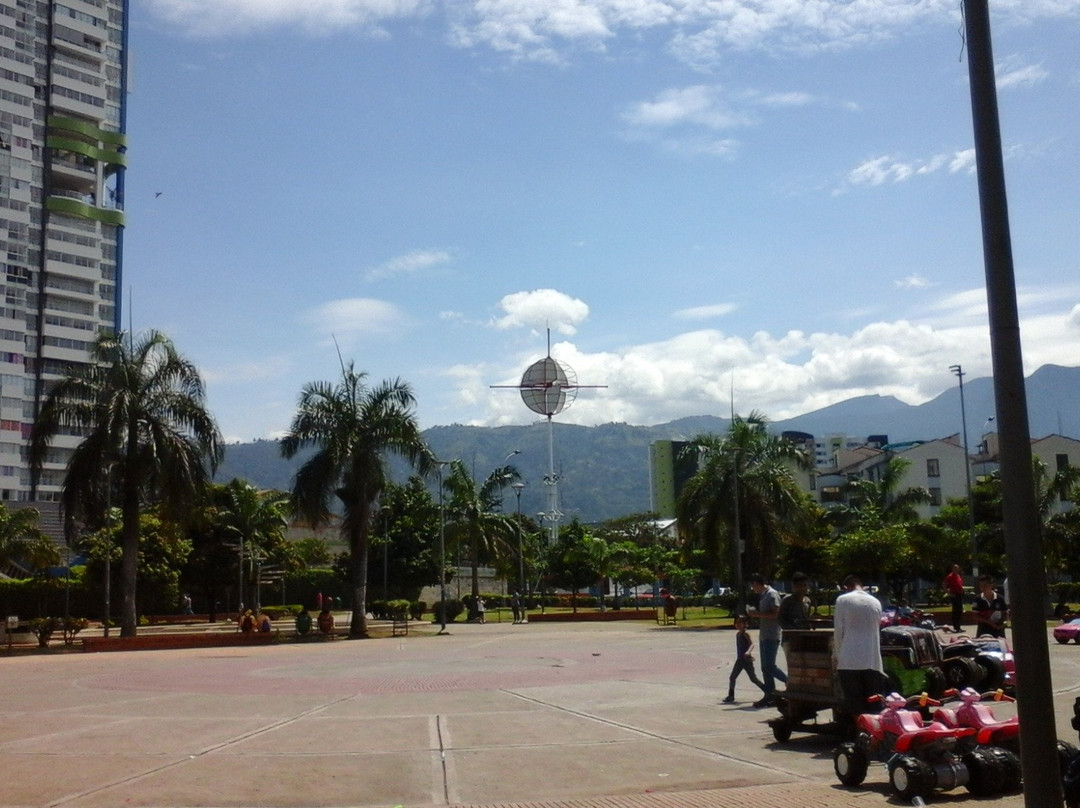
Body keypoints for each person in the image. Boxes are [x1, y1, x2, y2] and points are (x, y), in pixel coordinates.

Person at [833, 574, 885, 728]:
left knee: (855, 704)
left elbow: (838, 631)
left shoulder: (843, 600)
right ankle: (875, 733)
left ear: (845, 587)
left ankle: (862, 732)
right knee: (874, 703)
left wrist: (836, 655)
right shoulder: (875, 602)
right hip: (873, 660)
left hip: (849, 661)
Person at [747, 574, 786, 707]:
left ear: (758, 583)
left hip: (772, 635)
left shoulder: (772, 594)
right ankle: (770, 695)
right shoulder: (763, 595)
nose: (753, 588)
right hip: (764, 635)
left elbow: (776, 613)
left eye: (753, 585)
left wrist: (757, 614)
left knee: (770, 666)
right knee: (765, 668)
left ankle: (789, 681)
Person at [724, 615, 767, 704]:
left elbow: (752, 644)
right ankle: (731, 696)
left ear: (745, 624)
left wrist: (748, 652)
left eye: (740, 622)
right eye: (737, 622)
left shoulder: (745, 634)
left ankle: (768, 691)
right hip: (739, 660)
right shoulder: (738, 634)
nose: (738, 624)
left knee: (753, 679)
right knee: (732, 677)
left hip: (746, 660)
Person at [944, 563, 965, 632]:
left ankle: (958, 626)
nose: (956, 569)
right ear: (952, 569)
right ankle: (956, 627)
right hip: (954, 595)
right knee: (956, 611)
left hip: (960, 595)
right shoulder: (950, 576)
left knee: (960, 611)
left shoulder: (958, 576)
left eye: (957, 568)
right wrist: (949, 593)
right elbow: (944, 584)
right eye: (955, 568)